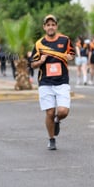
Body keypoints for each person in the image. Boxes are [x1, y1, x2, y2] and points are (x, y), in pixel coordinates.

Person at [30, 14, 75, 150]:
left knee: (63, 111)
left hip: (62, 81)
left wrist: (69, 57)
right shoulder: (39, 44)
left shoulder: (65, 40)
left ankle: (57, 120)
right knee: (49, 112)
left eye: (53, 24)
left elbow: (72, 54)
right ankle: (51, 139)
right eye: (48, 25)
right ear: (44, 27)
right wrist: (41, 61)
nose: (50, 27)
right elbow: (32, 64)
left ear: (56, 26)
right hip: (45, 82)